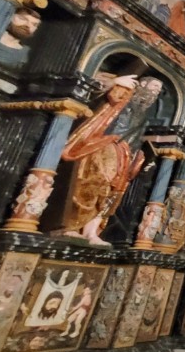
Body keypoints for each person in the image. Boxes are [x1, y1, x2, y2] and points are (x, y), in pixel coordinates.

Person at [60, 74, 164, 245]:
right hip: (101, 143)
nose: (155, 93)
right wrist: (114, 82)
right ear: (142, 84)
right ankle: (70, 225)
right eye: (153, 87)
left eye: (158, 91)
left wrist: (138, 156)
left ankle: (91, 232)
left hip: (125, 151)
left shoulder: (143, 111)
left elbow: (137, 135)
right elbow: (97, 87)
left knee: (112, 191)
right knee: (93, 182)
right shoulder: (124, 91)